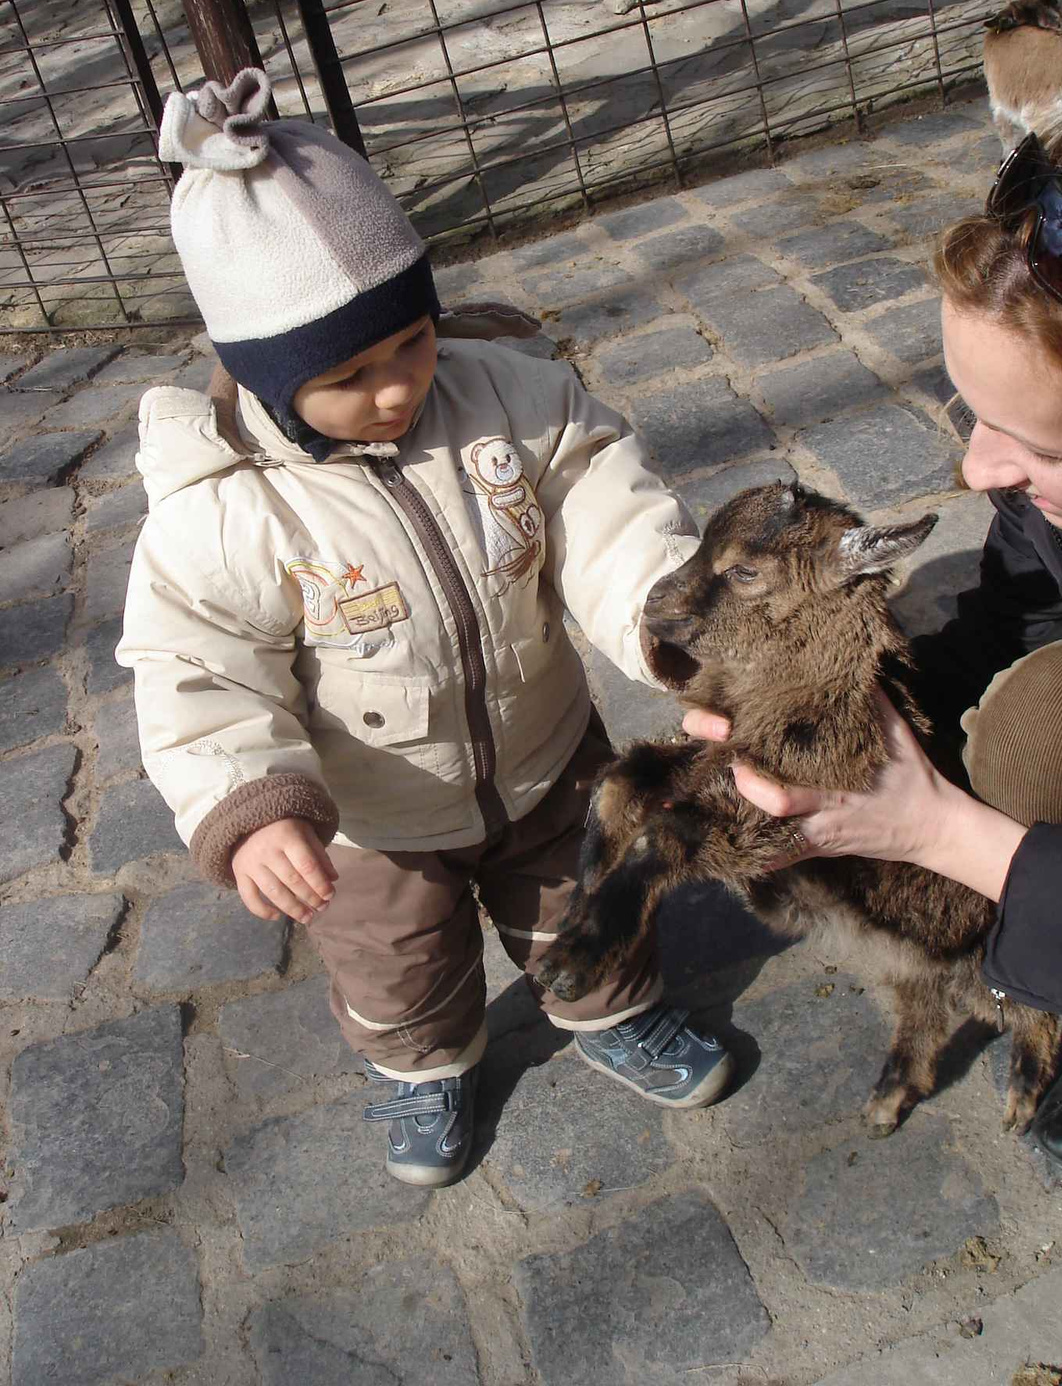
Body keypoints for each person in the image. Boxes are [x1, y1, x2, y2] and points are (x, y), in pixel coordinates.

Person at [117, 67, 732, 1188]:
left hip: (546, 755)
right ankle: (426, 1065)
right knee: (397, 962)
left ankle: (612, 1012)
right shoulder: (223, 511)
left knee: (587, 901)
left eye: (408, 341)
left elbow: (601, 502)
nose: (396, 388)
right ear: (266, 378)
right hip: (374, 817)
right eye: (348, 375)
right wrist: (249, 809)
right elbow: (196, 668)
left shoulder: (508, 398)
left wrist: (666, 611)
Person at [686, 94, 1062, 1171]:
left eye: (1036, 449)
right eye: (972, 417)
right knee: (1025, 725)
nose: (975, 474)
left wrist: (946, 837)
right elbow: (1014, 603)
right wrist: (833, 727)